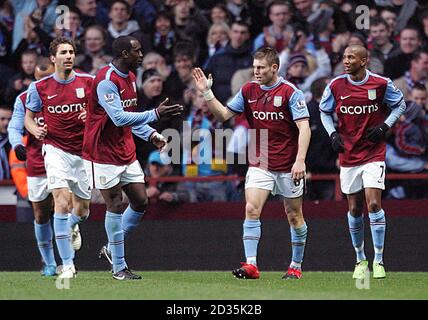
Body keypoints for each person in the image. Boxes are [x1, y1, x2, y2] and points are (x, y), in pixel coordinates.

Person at [193, 46, 311, 280]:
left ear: (274, 68)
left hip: (288, 165)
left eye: (261, 67)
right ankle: (251, 265)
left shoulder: (291, 92)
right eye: (254, 67)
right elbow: (224, 115)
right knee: (251, 209)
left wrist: (300, 160)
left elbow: (304, 127)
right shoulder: (248, 90)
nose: (256, 71)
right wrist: (207, 93)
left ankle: (295, 265)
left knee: (294, 215)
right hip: (260, 161)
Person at [82, 35, 183, 280]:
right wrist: (156, 114)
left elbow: (130, 115)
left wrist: (150, 134)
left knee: (140, 201)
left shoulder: (131, 77)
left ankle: (111, 248)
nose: (141, 55)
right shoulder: (106, 80)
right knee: (115, 204)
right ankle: (119, 267)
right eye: (137, 51)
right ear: (124, 54)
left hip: (125, 150)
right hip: (102, 152)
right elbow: (118, 118)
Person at [319, 44, 407, 280]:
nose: (346, 61)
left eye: (351, 57)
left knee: (374, 204)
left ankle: (378, 259)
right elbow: (324, 111)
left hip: (373, 152)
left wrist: (385, 125)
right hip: (348, 155)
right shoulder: (336, 85)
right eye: (344, 57)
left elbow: (400, 104)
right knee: (354, 208)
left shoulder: (380, 83)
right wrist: (332, 134)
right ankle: (360, 258)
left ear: (364, 61)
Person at [24, 37, 93, 279]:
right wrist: (35, 130)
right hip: (55, 151)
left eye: (72, 52)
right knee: (61, 202)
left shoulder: (89, 82)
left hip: (83, 153)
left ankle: (73, 226)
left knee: (83, 210)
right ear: (53, 58)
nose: (69, 56)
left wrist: (91, 117)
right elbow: (28, 118)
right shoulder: (39, 88)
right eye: (63, 52)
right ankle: (68, 265)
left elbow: (103, 114)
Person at [8, 57, 59, 276]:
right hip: (38, 162)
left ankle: (69, 248)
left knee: (70, 207)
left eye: (47, 79)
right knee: (41, 214)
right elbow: (14, 126)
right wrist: (17, 143)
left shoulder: (70, 91)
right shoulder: (24, 98)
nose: (43, 84)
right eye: (39, 80)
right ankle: (49, 263)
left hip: (67, 157)